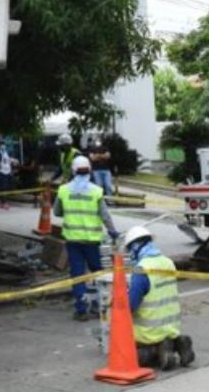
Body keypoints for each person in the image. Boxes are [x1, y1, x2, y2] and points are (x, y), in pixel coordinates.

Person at [54, 155, 119, 321]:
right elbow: (105, 216)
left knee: (77, 275)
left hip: (73, 241)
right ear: (89, 170)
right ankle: (98, 305)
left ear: (73, 171)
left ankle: (81, 309)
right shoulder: (96, 191)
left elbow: (57, 212)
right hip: (92, 241)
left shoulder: (64, 190)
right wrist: (113, 232)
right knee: (98, 273)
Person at [124, 226, 194, 370]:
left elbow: (130, 305)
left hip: (148, 333)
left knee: (131, 356)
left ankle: (157, 351)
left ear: (135, 247)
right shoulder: (168, 263)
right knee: (164, 337)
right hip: (171, 328)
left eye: (130, 250)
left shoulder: (141, 269)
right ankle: (178, 344)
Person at [0, 144, 17, 209]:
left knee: (7, 187)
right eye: (2, 146)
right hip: (2, 173)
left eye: (4, 146)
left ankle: (4, 202)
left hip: (8, 173)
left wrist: (13, 161)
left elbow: (8, 160)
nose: (3, 147)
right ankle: (3, 203)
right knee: (3, 188)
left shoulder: (6, 153)